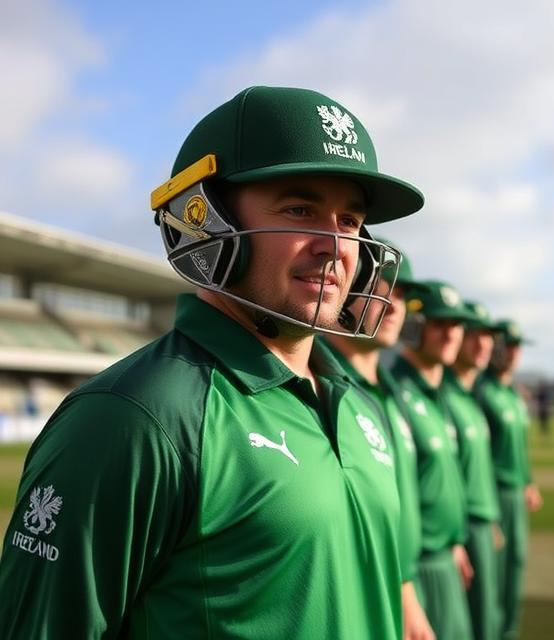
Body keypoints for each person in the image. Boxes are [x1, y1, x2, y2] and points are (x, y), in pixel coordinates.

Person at [0, 86, 425, 639]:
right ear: (205, 222)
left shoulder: (361, 403)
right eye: (300, 210)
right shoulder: (133, 418)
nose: (334, 245)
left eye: (349, 220)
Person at [324, 242, 435, 640]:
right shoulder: (319, 386)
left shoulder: (390, 391)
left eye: (402, 295)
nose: (393, 306)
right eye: (379, 286)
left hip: (408, 583)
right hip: (367, 597)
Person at [391, 280, 475, 640]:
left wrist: (455, 541)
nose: (452, 334)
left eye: (457, 324)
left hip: (445, 556)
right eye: (440, 323)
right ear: (414, 327)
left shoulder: (434, 394)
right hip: (416, 570)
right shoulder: (394, 392)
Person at [475, 319, 543, 640]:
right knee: (494, 578)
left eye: (518, 347)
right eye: (509, 346)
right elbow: (480, 458)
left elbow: (520, 447)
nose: (515, 353)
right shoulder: (482, 393)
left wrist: (528, 481)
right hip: (495, 495)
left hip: (516, 494)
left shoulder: (514, 396)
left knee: (515, 568)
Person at [441, 301, 501, 640]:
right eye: (474, 334)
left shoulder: (468, 397)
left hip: (481, 522)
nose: (483, 344)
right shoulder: (443, 395)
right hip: (461, 532)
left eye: (488, 336)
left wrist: (490, 518)